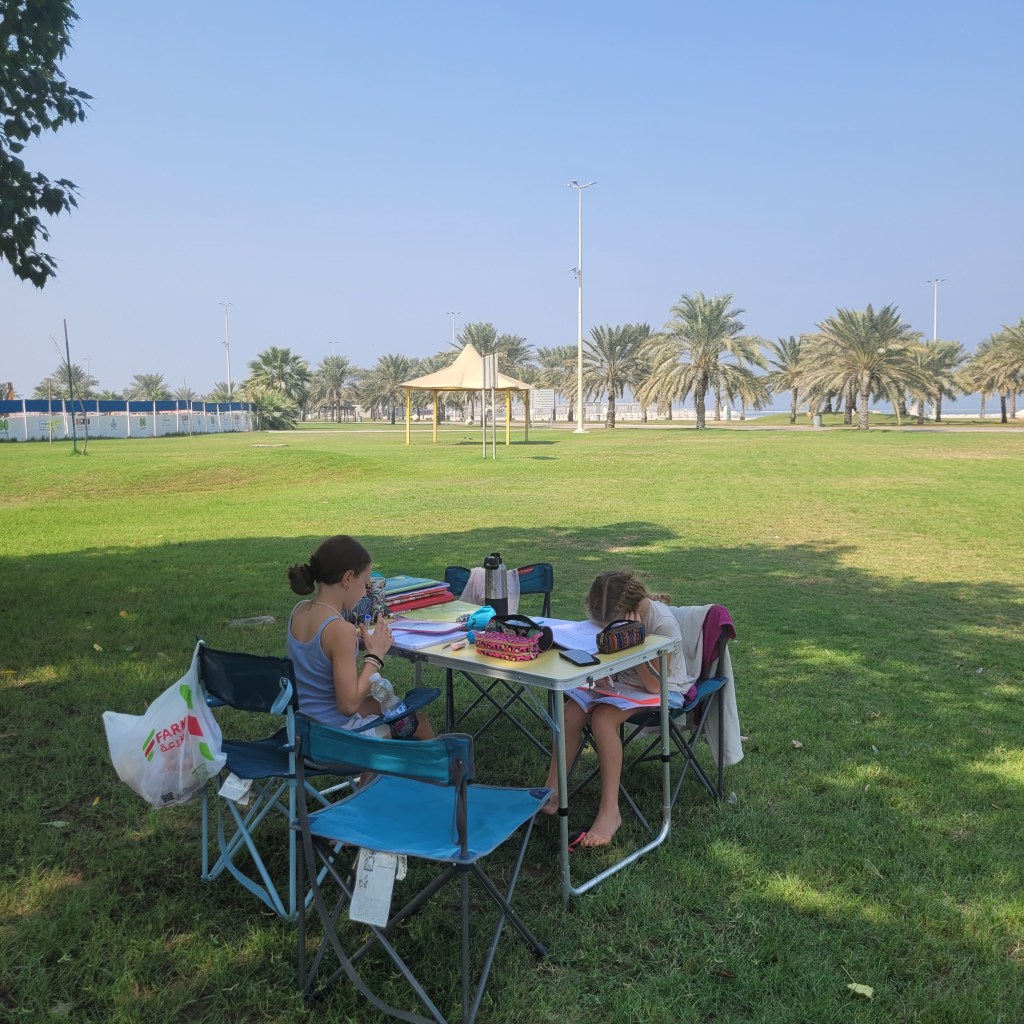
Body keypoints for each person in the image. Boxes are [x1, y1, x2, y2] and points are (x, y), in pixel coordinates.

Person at [542, 570, 687, 848]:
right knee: (570, 713)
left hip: (663, 690)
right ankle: (553, 791)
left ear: (632, 609)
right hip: (616, 683)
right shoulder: (610, 616)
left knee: (603, 719)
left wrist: (635, 645)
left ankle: (610, 812)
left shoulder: (663, 624)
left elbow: (656, 686)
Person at [286, 535, 433, 738]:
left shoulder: (299, 612)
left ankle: (373, 771)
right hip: (334, 737)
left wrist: (355, 643)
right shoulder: (340, 629)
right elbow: (348, 705)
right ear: (347, 578)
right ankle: (375, 765)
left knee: (380, 705)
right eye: (365, 584)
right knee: (420, 723)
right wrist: (375, 656)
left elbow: (320, 656)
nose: (366, 593)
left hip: (302, 730)